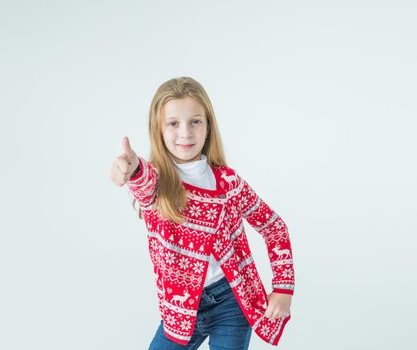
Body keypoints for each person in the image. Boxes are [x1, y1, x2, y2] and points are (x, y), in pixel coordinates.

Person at [109, 76, 295, 349]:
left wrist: (283, 288)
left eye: (195, 121)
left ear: (208, 127)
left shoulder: (228, 183)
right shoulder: (158, 183)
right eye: (173, 123)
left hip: (231, 301)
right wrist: (133, 168)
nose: (185, 133)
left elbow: (273, 226)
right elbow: (143, 181)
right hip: (180, 310)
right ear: (158, 130)